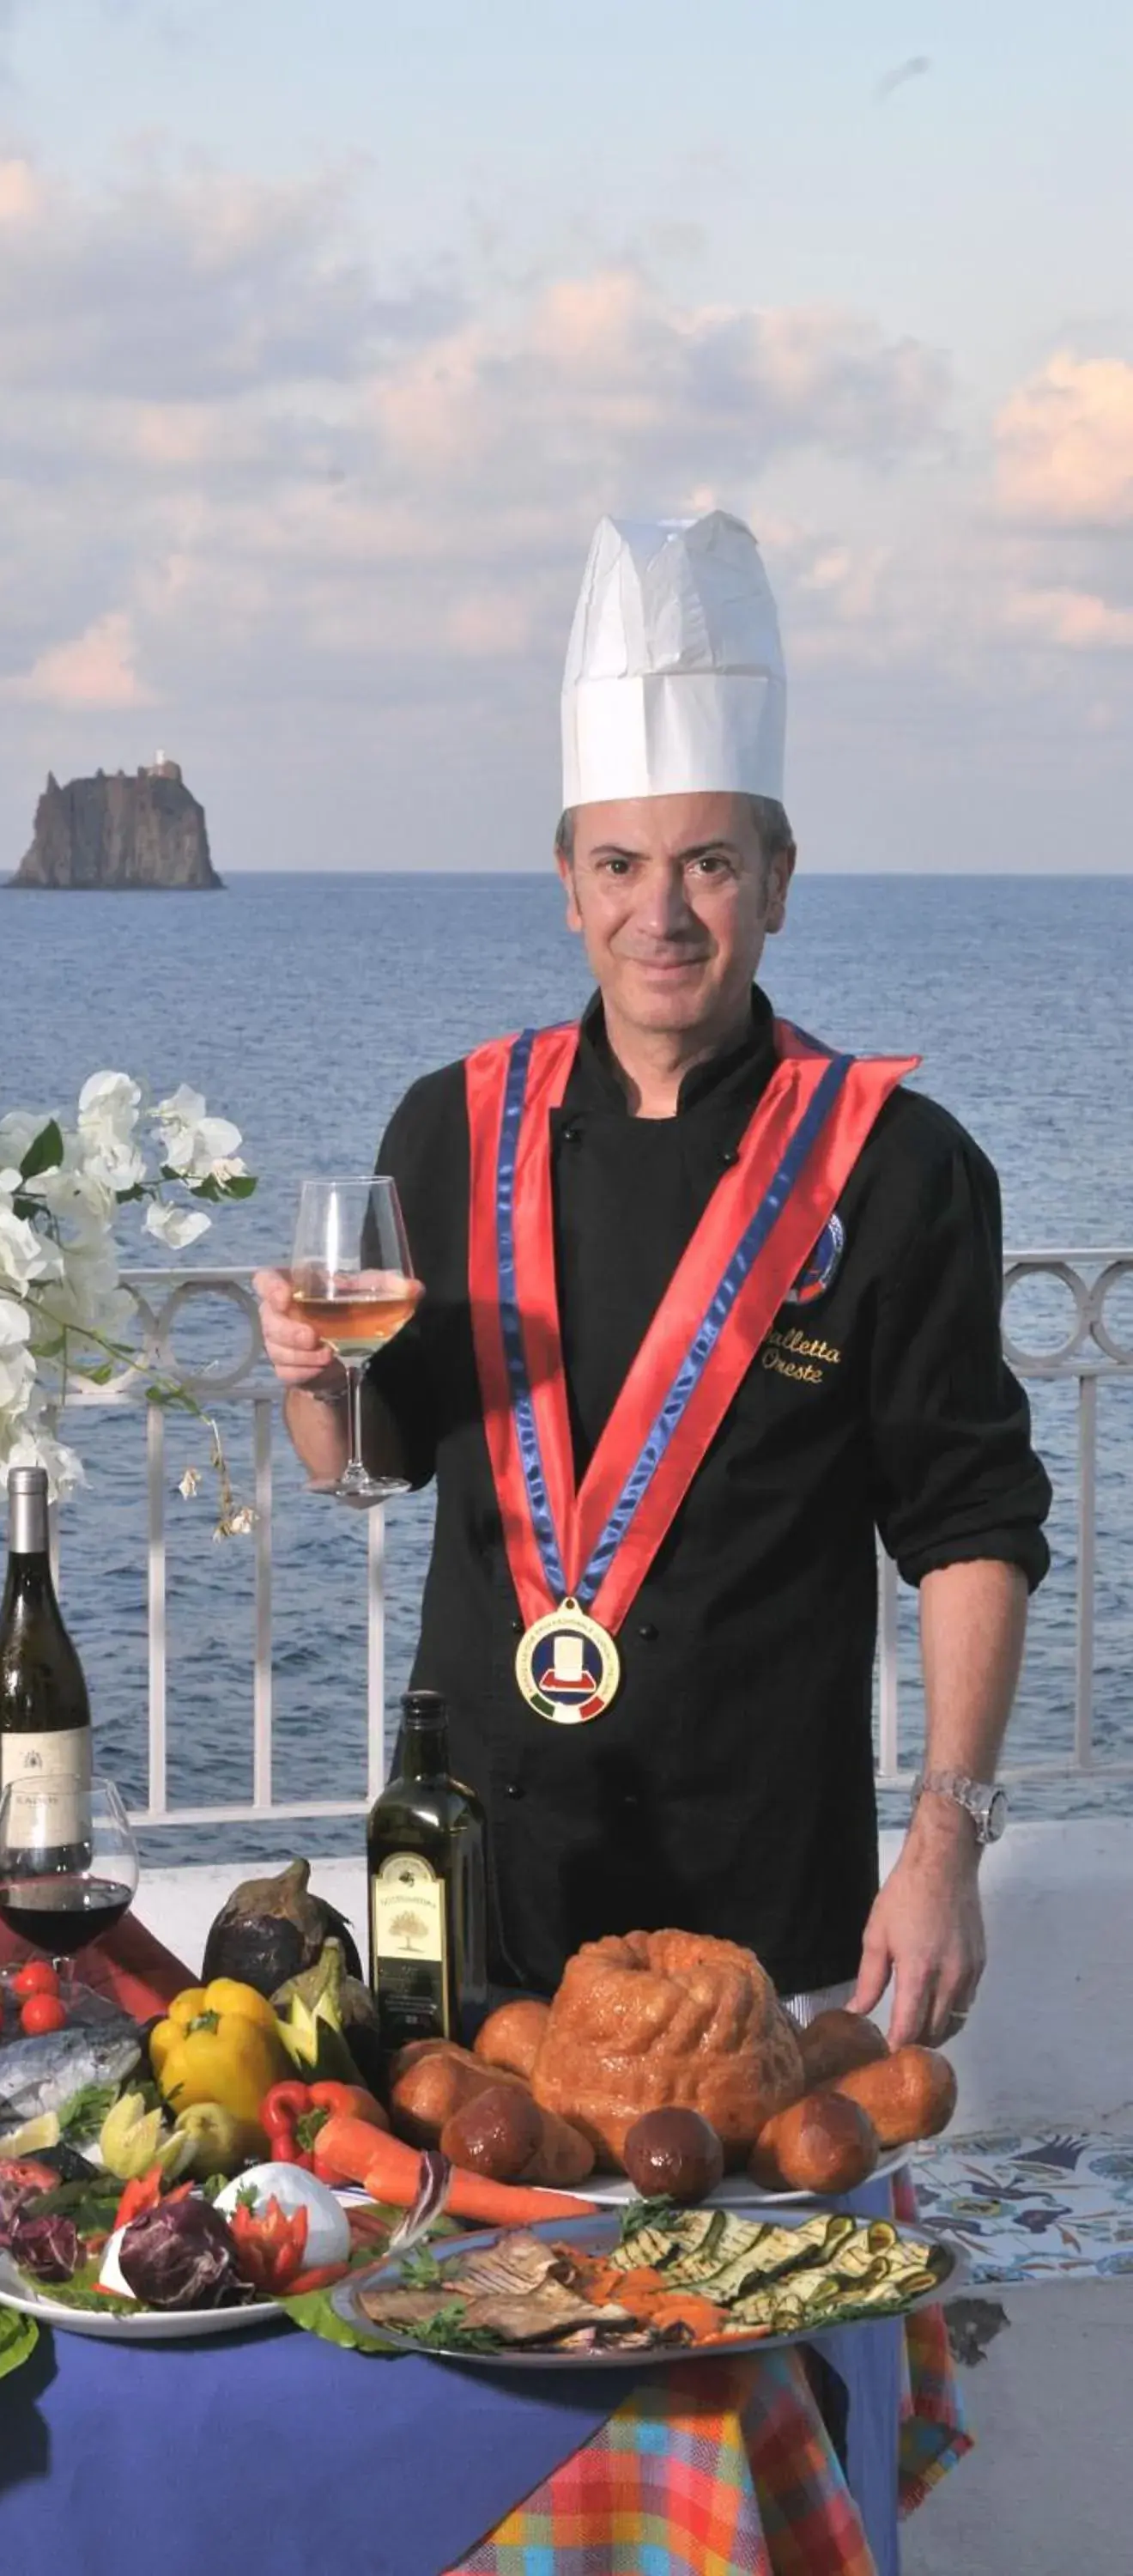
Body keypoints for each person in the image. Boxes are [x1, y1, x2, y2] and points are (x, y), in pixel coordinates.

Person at [257, 510, 1051, 2044]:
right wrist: (315, 1378)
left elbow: (970, 1525)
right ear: (566, 882)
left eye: (707, 863)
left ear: (779, 877)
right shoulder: (453, 1122)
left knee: (771, 2279)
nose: (662, 912)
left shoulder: (894, 1164)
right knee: (480, 2283)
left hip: (772, 1913)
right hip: (482, 1898)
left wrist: (945, 1844)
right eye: (620, 864)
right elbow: (373, 1462)